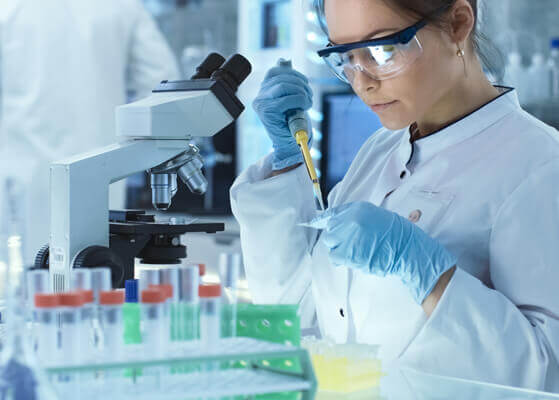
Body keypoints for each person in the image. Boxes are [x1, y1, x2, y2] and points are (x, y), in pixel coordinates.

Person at [231, 0, 559, 392]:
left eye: (382, 50)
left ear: (457, 23)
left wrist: (431, 274)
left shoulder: (539, 165)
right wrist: (287, 164)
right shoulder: (380, 150)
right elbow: (300, 316)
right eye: (344, 55)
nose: (361, 81)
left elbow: (545, 373)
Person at [0, 0, 180, 263]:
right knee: (95, 282)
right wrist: (132, 152)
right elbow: (162, 87)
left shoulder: (9, 8)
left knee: (27, 283)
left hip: (23, 175)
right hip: (101, 171)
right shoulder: (123, 7)